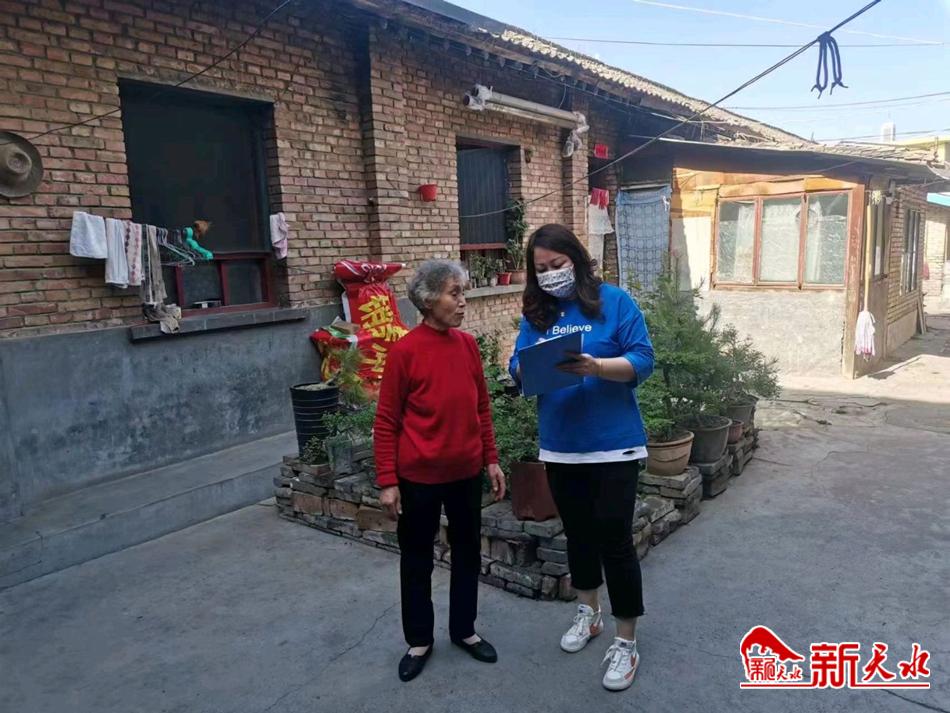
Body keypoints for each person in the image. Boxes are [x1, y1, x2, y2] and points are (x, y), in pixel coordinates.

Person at [508, 224, 655, 692]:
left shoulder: (615, 302)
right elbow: (516, 364)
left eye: (558, 264)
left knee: (615, 540)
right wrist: (525, 369)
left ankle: (626, 640)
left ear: (576, 259)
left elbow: (643, 359)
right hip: (561, 445)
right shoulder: (538, 314)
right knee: (578, 536)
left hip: (614, 444)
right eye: (541, 269)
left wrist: (596, 367)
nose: (551, 274)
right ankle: (588, 613)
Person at [374, 259, 507, 683]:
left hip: (466, 472)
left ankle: (464, 630)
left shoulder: (467, 345)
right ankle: (419, 640)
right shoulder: (405, 352)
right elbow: (386, 421)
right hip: (418, 478)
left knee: (467, 554)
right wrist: (388, 481)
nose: (463, 302)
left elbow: (481, 407)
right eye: (455, 293)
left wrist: (491, 458)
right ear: (429, 300)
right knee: (417, 559)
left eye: (463, 292)